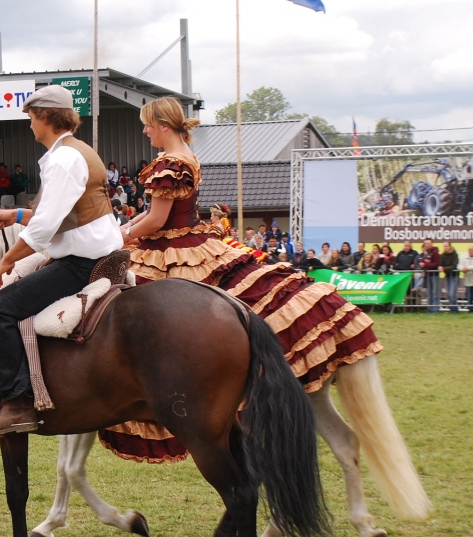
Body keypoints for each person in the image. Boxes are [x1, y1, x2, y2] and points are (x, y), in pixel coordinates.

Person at [101, 96, 382, 463]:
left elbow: (155, 221)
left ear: (162, 126)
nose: (144, 130)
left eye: (147, 124)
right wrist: (126, 228)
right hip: (190, 241)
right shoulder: (186, 154)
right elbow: (155, 219)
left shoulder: (168, 163)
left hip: (173, 250)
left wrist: (117, 238)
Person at [0, 84, 123, 435]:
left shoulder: (62, 159)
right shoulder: (77, 151)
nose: (29, 125)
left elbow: (43, 230)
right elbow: (62, 215)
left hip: (79, 263)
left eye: (30, 117)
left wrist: (5, 261)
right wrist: (15, 215)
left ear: (44, 116)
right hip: (98, 254)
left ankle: (18, 404)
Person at [418, 239, 441, 313]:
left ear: (432, 244)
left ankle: (435, 309)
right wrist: (423, 266)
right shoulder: (426, 253)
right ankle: (430, 309)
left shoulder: (435, 253)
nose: (426, 245)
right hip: (428, 275)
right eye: (425, 243)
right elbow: (424, 261)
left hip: (434, 275)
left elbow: (436, 264)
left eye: (428, 243)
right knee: (429, 293)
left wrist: (425, 265)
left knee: (435, 292)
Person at [440, 241, 460, 313]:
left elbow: (454, 266)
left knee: (452, 293)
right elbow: (441, 263)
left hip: (454, 276)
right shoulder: (443, 255)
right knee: (449, 294)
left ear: (450, 246)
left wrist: (444, 268)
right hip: (447, 276)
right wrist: (440, 267)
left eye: (446, 246)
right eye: (444, 246)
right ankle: (453, 309)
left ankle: (454, 309)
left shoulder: (455, 255)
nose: (444, 248)